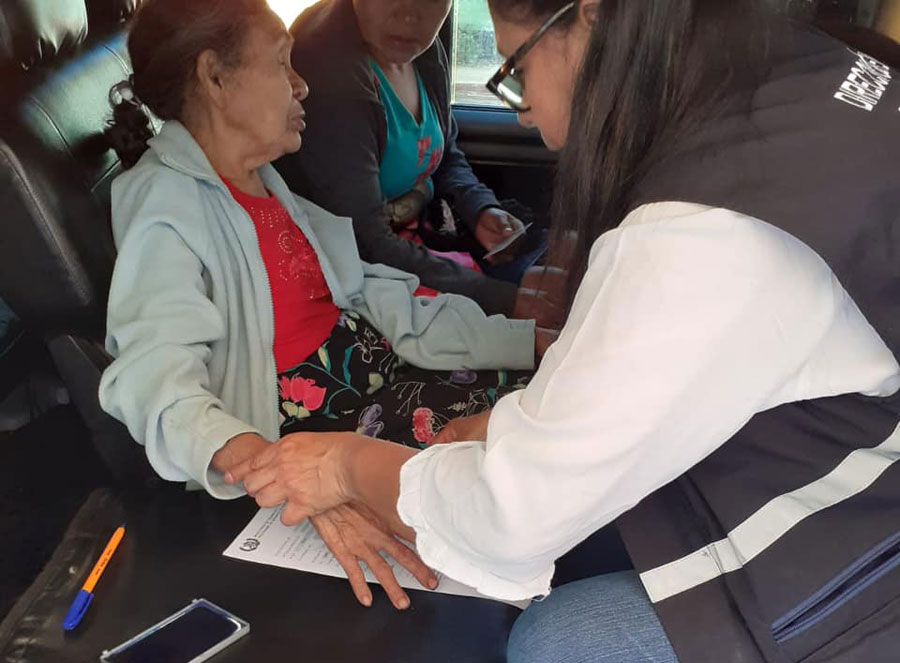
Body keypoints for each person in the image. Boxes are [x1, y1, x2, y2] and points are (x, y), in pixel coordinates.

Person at [227, 0, 900, 661]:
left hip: (864, 533)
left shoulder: (706, 231)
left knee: (559, 642)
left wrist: (342, 465)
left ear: (591, 17)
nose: (521, 110)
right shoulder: (807, 68)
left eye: (516, 70)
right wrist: (512, 426)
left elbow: (509, 518)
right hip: (833, 446)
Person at [98, 0, 538, 611]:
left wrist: (527, 339)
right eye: (282, 64)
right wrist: (277, 470)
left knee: (541, 400)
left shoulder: (264, 181)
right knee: (518, 460)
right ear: (216, 78)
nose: (302, 84)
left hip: (384, 374)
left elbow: (370, 292)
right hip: (325, 423)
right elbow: (152, 376)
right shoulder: (164, 203)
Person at [275, 0, 545, 316]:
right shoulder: (331, 74)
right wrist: (505, 299)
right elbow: (366, 242)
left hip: (426, 237)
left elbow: (443, 153)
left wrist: (479, 207)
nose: (409, 14)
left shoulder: (422, 51)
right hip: (367, 271)